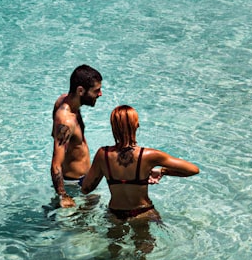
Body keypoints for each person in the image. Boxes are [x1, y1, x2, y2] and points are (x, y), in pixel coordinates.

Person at [80, 105, 199, 221]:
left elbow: (86, 188)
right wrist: (163, 171)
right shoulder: (149, 155)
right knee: (144, 241)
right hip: (142, 212)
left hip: (115, 214)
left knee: (114, 241)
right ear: (136, 125)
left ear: (113, 127)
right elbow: (193, 170)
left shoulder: (103, 154)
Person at [51, 65, 103, 208]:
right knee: (84, 228)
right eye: (96, 90)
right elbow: (56, 164)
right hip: (74, 187)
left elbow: (54, 135)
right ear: (80, 90)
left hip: (82, 182)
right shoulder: (66, 120)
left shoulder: (64, 101)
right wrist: (64, 195)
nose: (100, 94)